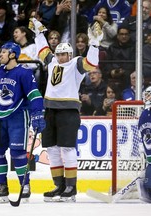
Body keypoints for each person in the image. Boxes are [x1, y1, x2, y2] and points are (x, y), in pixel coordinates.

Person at [29, 17, 102, 202]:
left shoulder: (76, 64)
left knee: (67, 149)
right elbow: (43, 49)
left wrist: (94, 44)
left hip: (68, 111)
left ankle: (71, 187)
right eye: (60, 54)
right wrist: (38, 32)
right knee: (52, 149)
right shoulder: (52, 61)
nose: (61, 57)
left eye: (65, 54)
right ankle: (58, 185)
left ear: (70, 55)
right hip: (49, 110)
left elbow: (92, 63)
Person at [0, 42, 46, 203]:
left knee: (17, 153)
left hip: (18, 117)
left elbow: (34, 95)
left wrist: (37, 113)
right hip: (0, 119)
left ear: (12, 54)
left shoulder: (24, 73)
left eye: (3, 52)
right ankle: (1, 187)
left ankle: (26, 186)